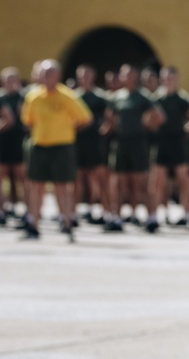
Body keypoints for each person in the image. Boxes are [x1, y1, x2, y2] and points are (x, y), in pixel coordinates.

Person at [20, 60, 93, 240]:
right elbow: (27, 121)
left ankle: (67, 223)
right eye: (43, 74)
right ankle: (33, 224)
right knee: (36, 186)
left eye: (50, 74)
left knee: (62, 187)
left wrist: (67, 129)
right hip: (39, 146)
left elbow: (85, 118)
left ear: (58, 76)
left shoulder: (68, 96)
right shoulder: (33, 96)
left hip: (62, 147)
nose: (46, 78)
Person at [103, 64, 164, 233]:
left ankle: (151, 217)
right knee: (119, 182)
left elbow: (159, 117)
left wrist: (146, 126)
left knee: (142, 182)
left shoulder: (143, 97)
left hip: (139, 143)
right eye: (124, 75)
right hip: (121, 143)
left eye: (130, 75)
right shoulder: (117, 97)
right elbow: (110, 118)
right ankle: (116, 216)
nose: (126, 78)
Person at [150, 66, 189, 227]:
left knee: (184, 180)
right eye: (165, 78)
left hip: (178, 143)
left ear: (176, 80)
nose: (168, 81)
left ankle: (187, 215)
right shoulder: (155, 99)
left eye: (171, 78)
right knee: (158, 182)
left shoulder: (182, 99)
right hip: (161, 143)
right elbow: (148, 119)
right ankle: (155, 216)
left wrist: (186, 131)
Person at [73, 65, 108, 225]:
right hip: (77, 141)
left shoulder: (101, 98)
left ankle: (105, 212)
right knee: (77, 178)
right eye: (81, 76)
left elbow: (109, 118)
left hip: (95, 142)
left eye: (87, 76)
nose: (84, 79)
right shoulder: (73, 97)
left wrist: (103, 130)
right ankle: (74, 213)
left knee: (98, 178)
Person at [0, 67, 28, 223]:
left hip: (19, 141)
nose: (10, 83)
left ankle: (28, 210)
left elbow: (24, 120)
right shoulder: (1, 98)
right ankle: (2, 209)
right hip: (3, 141)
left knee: (22, 177)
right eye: (7, 80)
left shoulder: (24, 98)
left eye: (13, 80)